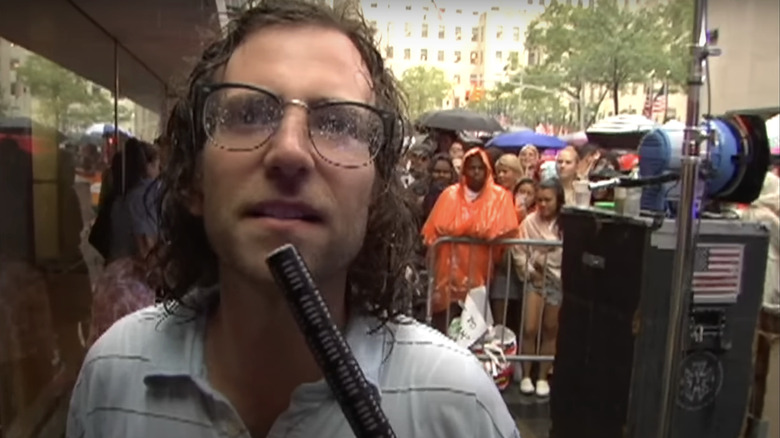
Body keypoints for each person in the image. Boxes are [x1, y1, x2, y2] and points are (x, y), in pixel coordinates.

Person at [66, 2, 520, 438]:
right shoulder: (113, 377)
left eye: (339, 123)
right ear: (194, 179)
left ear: (378, 193)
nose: (288, 151)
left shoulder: (458, 404)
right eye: (247, 114)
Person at [422, 148, 519, 332]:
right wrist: (475, 230)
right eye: (471, 168)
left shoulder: (499, 197)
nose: (475, 172)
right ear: (464, 171)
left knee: (475, 327)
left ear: (487, 170)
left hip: (480, 275)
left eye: (480, 168)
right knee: (446, 325)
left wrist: (463, 230)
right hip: (447, 273)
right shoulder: (450, 195)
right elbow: (434, 230)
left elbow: (502, 230)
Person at [511, 178, 565, 398]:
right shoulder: (528, 222)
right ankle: (526, 375)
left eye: (548, 200)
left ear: (558, 200)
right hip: (534, 278)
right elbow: (518, 251)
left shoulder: (566, 224)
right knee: (530, 327)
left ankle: (542, 377)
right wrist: (533, 271)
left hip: (557, 280)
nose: (543, 204)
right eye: (539, 200)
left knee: (551, 329)